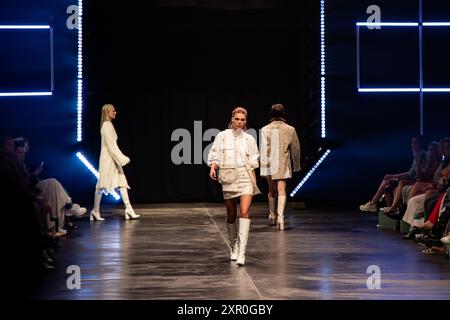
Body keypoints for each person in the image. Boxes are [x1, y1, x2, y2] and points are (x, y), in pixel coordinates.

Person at [207, 107, 260, 266]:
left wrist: (254, 181)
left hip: (245, 177)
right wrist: (213, 166)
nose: (240, 122)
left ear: (246, 121)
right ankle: (234, 246)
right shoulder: (222, 136)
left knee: (244, 212)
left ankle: (242, 252)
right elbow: (215, 153)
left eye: (242, 120)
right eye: (237, 119)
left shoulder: (249, 139)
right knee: (231, 214)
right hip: (229, 177)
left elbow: (253, 160)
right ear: (232, 119)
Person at [90, 104, 140, 221]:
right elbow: (111, 146)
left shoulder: (108, 125)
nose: (115, 112)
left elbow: (113, 146)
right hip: (108, 159)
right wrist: (121, 157)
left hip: (112, 158)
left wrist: (119, 157)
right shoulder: (106, 126)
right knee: (102, 184)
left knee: (122, 182)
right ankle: (95, 211)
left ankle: (128, 209)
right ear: (107, 112)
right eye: (113, 111)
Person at [260, 104, 301, 230]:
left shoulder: (265, 129)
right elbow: (295, 149)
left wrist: (263, 167)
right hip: (283, 162)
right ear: (283, 113)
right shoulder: (290, 129)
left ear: (271, 114)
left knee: (272, 191)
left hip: (269, 163)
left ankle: (272, 215)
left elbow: (263, 149)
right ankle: (281, 218)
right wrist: (296, 165)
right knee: (281, 190)